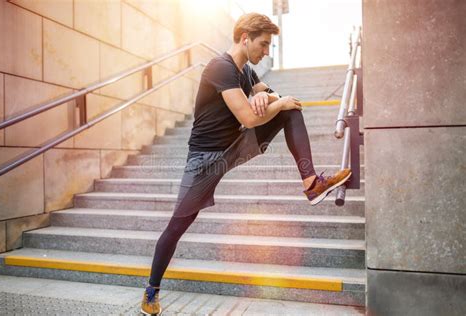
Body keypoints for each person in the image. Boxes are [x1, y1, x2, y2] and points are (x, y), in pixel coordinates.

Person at [141, 12, 351, 315]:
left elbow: (267, 95)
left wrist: (270, 98)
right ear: (244, 38)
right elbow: (250, 117)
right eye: (263, 45)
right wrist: (273, 102)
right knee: (178, 225)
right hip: (204, 161)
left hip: (235, 146)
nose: (266, 52)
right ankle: (152, 290)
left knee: (289, 110)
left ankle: (311, 182)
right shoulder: (220, 68)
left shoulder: (247, 73)